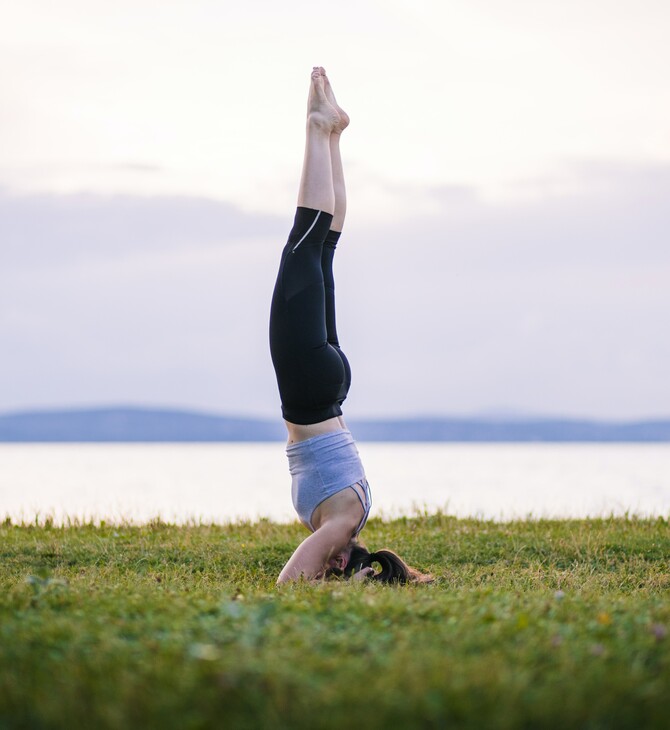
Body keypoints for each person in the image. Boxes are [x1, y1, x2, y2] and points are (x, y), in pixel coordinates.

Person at [269, 67, 431, 585]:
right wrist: (329, 577)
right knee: (304, 243)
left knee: (321, 249)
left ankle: (332, 135)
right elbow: (286, 585)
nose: (329, 564)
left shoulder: (353, 513)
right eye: (339, 567)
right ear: (346, 561)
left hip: (331, 390)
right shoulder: (341, 525)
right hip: (312, 390)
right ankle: (319, 130)